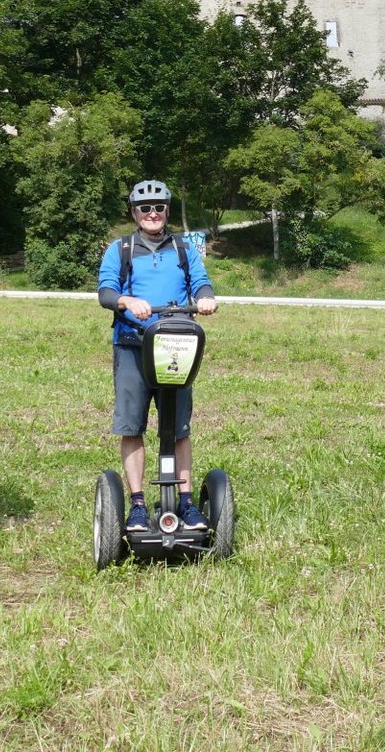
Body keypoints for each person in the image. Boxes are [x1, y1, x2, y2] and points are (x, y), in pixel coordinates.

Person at [97, 179, 218, 532]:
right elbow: (105, 290)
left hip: (174, 345)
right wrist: (127, 300)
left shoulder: (183, 247)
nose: (153, 214)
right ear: (134, 213)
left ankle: (185, 501)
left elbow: (201, 281)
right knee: (131, 426)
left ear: (167, 210)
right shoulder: (119, 249)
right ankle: (137, 504)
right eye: (145, 208)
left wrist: (206, 297)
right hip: (133, 345)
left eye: (159, 208)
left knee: (178, 427)